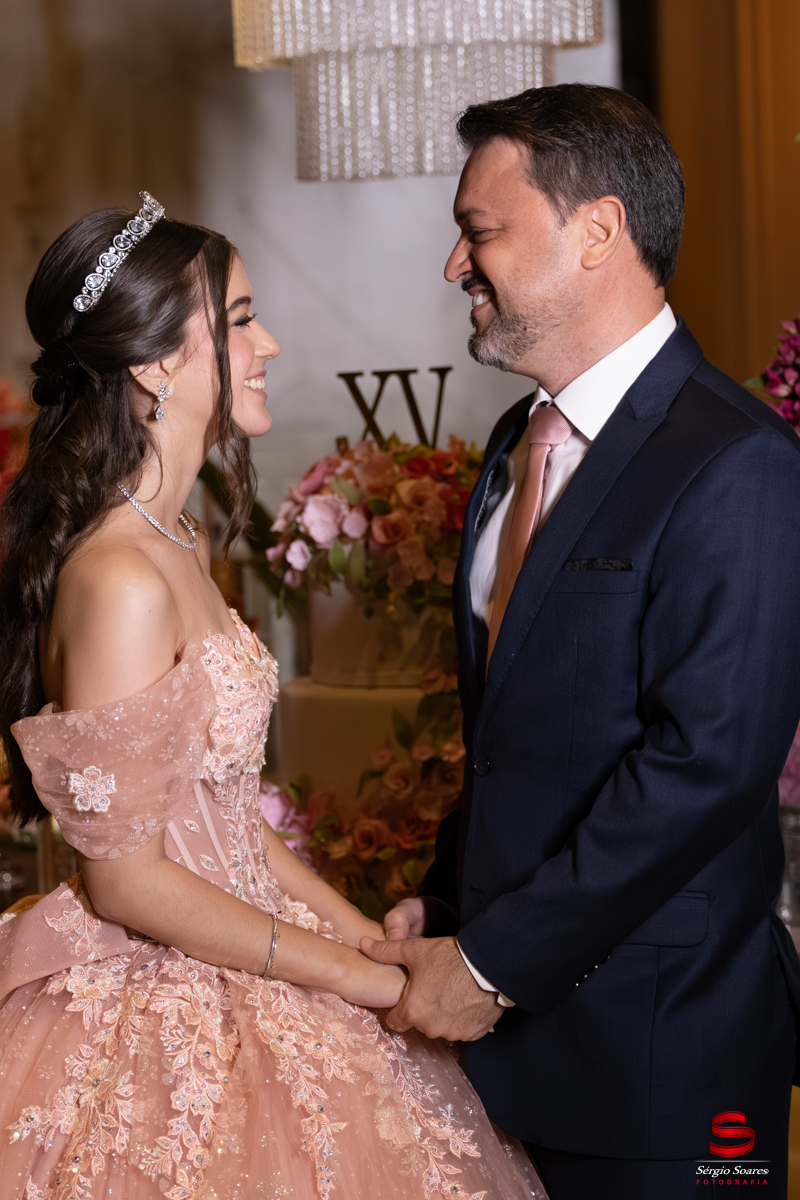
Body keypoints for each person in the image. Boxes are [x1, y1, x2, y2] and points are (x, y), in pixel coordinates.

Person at [0, 195, 545, 1200]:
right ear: (154, 363)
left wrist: (367, 936)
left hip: (245, 936)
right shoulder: (118, 578)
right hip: (164, 991)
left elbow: (225, 826)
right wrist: (356, 977)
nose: (270, 345)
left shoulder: (180, 540)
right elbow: (127, 882)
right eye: (242, 320)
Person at [362, 84, 800, 1198]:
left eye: (479, 232)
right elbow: (521, 739)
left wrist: (488, 964)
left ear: (597, 231)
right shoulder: (517, 443)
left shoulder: (737, 463)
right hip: (497, 1059)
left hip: (661, 1061)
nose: (455, 267)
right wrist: (448, 900)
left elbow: (704, 767)